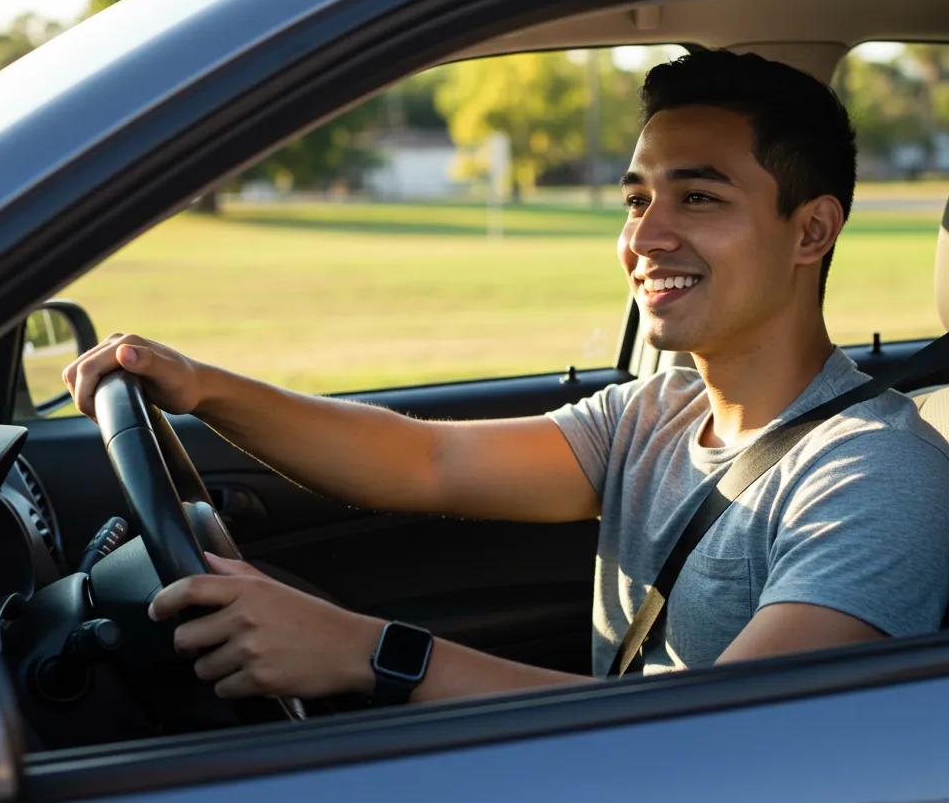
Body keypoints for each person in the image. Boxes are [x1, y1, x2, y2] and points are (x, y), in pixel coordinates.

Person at [64, 50, 949, 705]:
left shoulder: (873, 475)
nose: (643, 239)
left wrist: (371, 654)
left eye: (699, 198)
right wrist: (203, 387)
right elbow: (425, 462)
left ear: (810, 231)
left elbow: (727, 737)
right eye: (637, 199)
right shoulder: (659, 411)